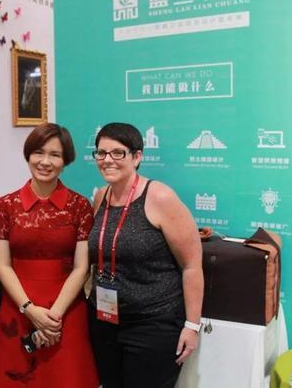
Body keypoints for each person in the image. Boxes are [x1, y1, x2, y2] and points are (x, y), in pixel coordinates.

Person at [87, 122, 204, 388]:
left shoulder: (160, 197)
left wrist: (192, 325)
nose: (108, 160)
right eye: (101, 153)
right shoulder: (101, 197)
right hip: (105, 321)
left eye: (118, 153)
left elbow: (191, 266)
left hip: (153, 324)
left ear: (137, 157)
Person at [0, 123, 98, 387]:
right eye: (38, 152)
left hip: (65, 309)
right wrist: (29, 309)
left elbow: (81, 268)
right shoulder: (6, 205)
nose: (45, 162)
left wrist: (53, 317)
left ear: (65, 160)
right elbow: (3, 265)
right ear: (28, 155)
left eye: (55, 155)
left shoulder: (80, 206)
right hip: (18, 306)